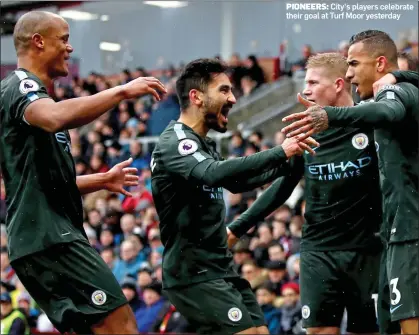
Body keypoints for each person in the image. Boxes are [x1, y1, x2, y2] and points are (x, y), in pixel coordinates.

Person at [0, 10, 166, 335]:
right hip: (50, 237)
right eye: (63, 39)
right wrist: (120, 91)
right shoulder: (22, 86)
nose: (70, 48)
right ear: (38, 41)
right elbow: (53, 118)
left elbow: (46, 185)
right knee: (122, 326)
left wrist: (102, 180)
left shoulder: (35, 100)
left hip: (38, 239)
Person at [150, 58, 319, 334]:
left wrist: (292, 163)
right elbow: (213, 173)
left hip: (220, 268)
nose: (233, 98)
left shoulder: (204, 144)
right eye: (224, 90)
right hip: (192, 273)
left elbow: (241, 182)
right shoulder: (176, 141)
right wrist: (281, 152)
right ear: (197, 97)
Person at [229, 52, 384, 335]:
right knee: (319, 331)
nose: (306, 90)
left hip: (367, 250)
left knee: (368, 331)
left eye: (312, 82)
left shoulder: (371, 123)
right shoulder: (305, 129)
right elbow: (282, 187)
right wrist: (236, 228)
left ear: (339, 84)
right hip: (318, 251)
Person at [281, 30, 419, 335]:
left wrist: (332, 115)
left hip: (401, 237)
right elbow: (280, 186)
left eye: (354, 64)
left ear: (382, 64)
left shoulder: (393, 96)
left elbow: (388, 109)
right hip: (390, 236)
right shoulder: (382, 103)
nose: (349, 72)